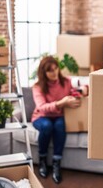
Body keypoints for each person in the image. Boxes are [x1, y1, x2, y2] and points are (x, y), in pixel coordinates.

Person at [31, 55, 82, 184]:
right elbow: (42, 108)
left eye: (56, 69)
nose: (54, 73)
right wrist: (61, 103)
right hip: (41, 117)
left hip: (58, 116)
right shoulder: (37, 87)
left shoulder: (66, 81)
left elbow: (83, 88)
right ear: (44, 73)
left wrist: (80, 92)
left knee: (59, 126)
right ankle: (42, 160)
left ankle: (56, 164)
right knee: (47, 126)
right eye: (50, 70)